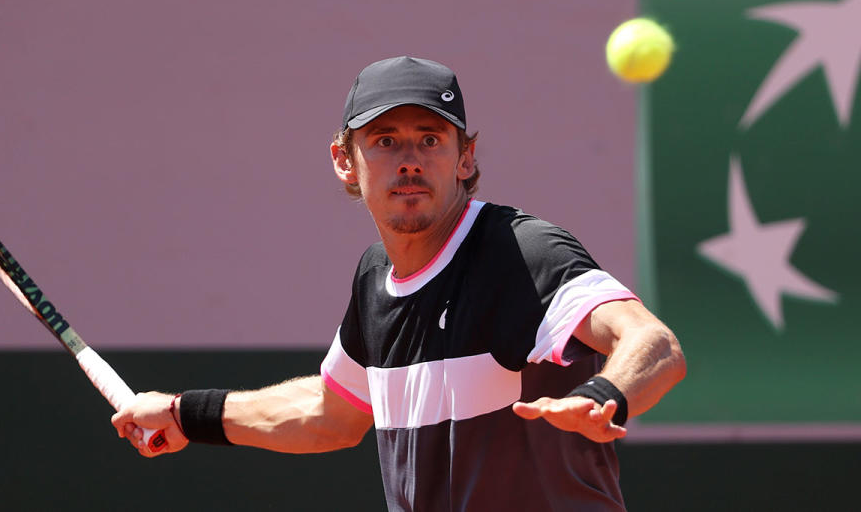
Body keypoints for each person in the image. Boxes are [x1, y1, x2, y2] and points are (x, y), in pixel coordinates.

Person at [112, 56, 686, 511]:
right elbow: (329, 412)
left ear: (466, 157)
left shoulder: (520, 252)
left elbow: (652, 343)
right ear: (344, 160)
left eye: (431, 139)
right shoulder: (375, 282)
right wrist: (186, 413)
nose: (409, 159)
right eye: (385, 141)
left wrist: (603, 395)